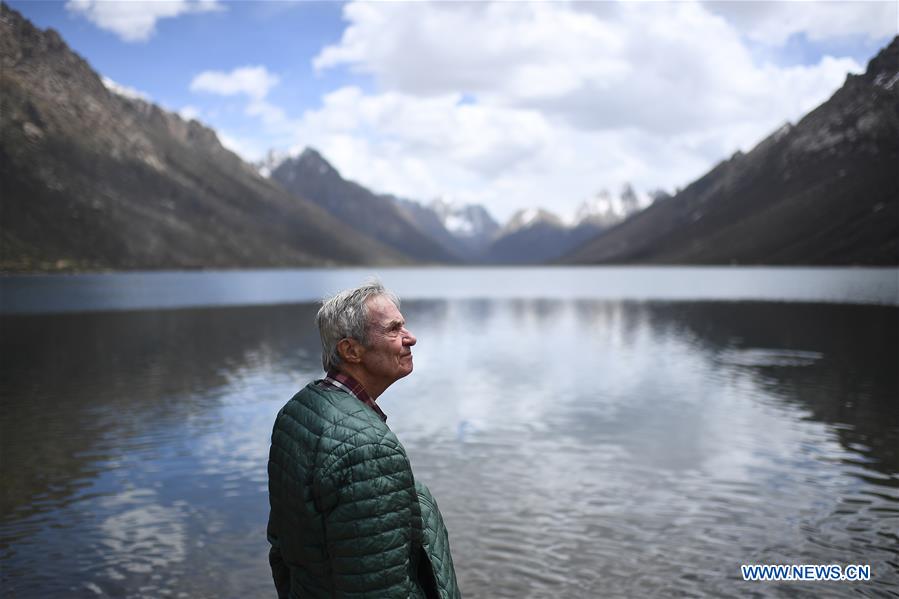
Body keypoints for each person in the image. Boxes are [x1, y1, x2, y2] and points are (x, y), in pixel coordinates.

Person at [267, 281, 460, 598]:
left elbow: (282, 547)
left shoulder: (295, 413)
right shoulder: (369, 450)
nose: (410, 338)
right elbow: (381, 588)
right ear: (350, 350)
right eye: (394, 329)